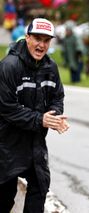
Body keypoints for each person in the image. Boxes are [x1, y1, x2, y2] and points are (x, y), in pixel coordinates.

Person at [0, 18, 69, 213]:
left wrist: (54, 117)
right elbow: (7, 108)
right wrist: (41, 119)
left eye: (46, 40)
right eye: (37, 38)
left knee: (40, 187)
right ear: (27, 37)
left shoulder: (50, 67)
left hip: (35, 142)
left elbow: (58, 96)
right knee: (4, 198)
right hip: (6, 144)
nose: (41, 45)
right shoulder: (9, 66)